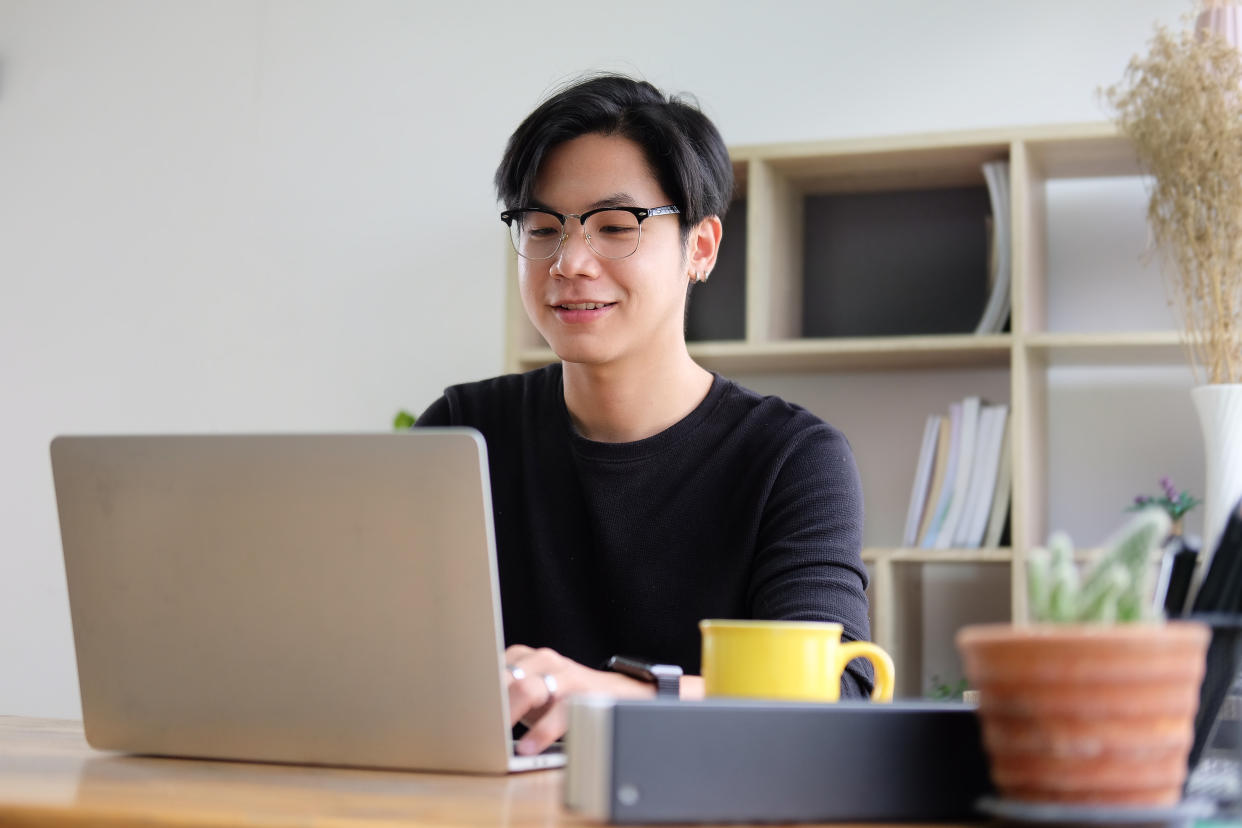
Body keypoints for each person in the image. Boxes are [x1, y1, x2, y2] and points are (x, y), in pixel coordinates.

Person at [415, 73, 869, 756]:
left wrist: (615, 697)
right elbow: (381, 658)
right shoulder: (464, 432)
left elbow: (835, 694)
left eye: (614, 227)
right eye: (541, 228)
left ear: (702, 248)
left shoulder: (790, 458)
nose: (568, 262)